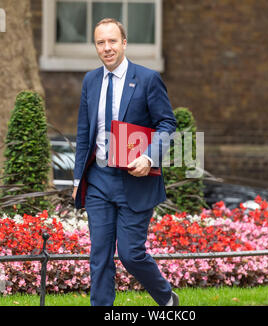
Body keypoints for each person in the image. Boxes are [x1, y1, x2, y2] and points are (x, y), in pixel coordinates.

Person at [72, 18, 178, 306]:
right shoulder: (91, 80)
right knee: (100, 255)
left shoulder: (147, 79)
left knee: (131, 254)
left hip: (136, 180)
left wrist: (148, 156)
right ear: (96, 46)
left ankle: (167, 299)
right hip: (98, 181)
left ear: (124, 43)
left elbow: (168, 124)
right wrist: (76, 179)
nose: (107, 48)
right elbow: (84, 133)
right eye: (101, 42)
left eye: (112, 41)